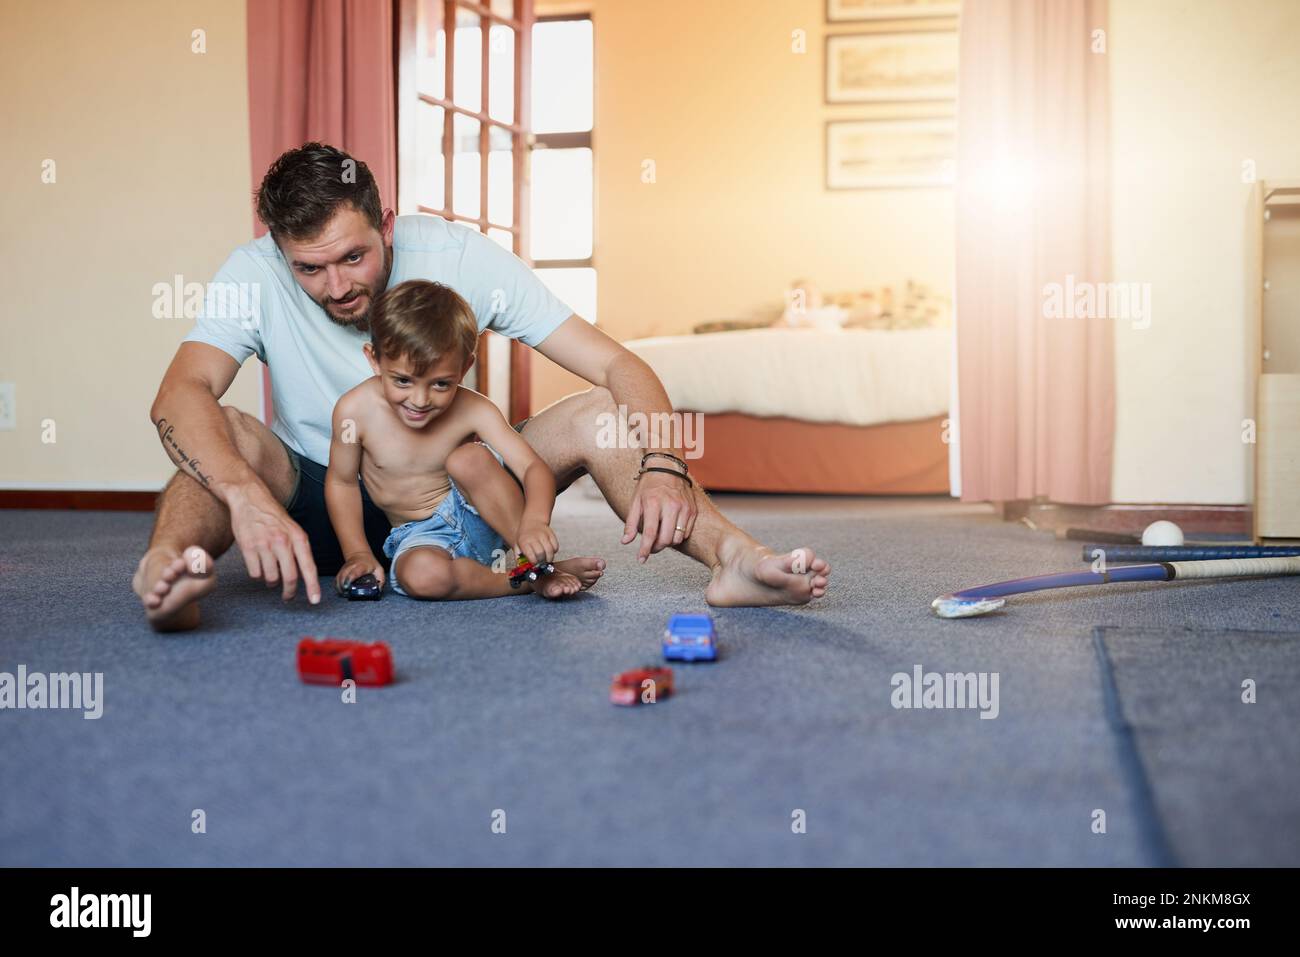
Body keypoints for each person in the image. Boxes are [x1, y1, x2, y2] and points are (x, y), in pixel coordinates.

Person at [134, 143, 830, 631]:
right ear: (280, 252)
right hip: (320, 493)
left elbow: (621, 367)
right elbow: (179, 394)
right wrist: (245, 496)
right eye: (310, 269)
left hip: (462, 495)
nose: (338, 286)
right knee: (216, 429)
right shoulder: (252, 271)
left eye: (354, 256)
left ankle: (736, 560)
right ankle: (170, 575)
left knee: (597, 414)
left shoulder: (459, 257)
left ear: (387, 223)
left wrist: (664, 465)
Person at [326, 279, 603, 600]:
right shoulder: (353, 411)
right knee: (421, 576)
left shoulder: (475, 409)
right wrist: (357, 552)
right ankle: (526, 579)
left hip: (482, 515)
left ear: (465, 366)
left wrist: (534, 522)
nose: (419, 399)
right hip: (419, 533)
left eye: (441, 384)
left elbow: (532, 468)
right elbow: (342, 482)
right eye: (402, 380)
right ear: (374, 360)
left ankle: (532, 563)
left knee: (468, 458)